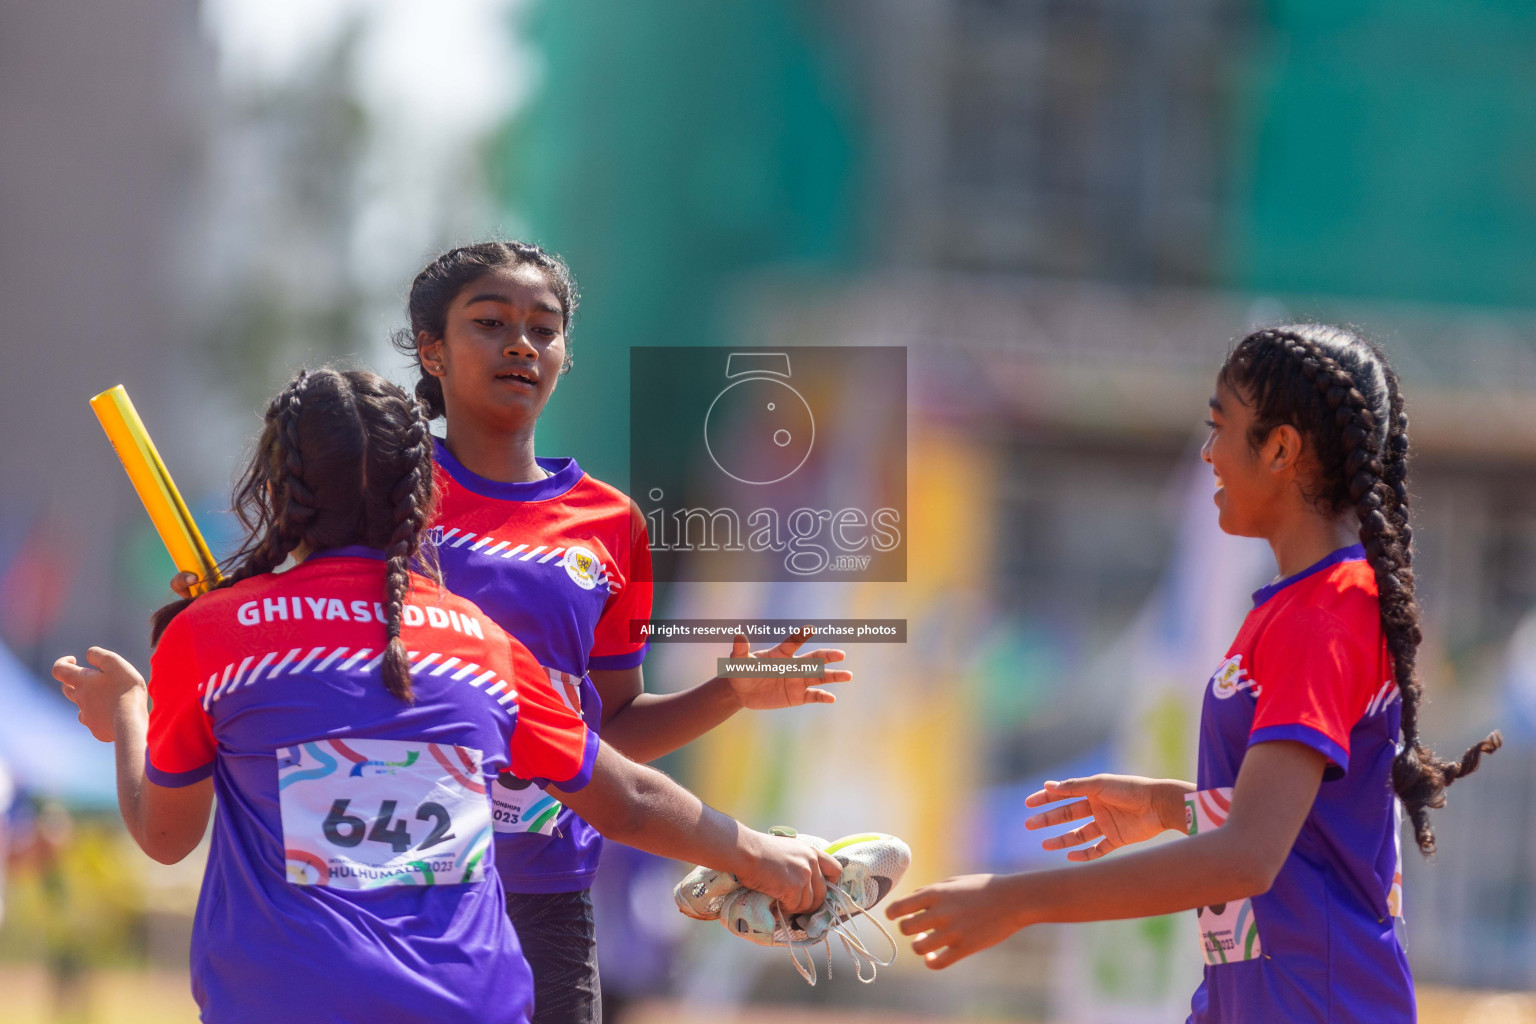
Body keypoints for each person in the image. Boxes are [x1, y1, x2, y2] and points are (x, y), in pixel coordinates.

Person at [57, 369, 838, 1024]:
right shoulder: (481, 641)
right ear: (425, 495)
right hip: (466, 1003)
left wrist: (130, 708)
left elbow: (165, 835)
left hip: (285, 1002)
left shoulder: (213, 634)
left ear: (275, 487)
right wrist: (765, 857)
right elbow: (624, 796)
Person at [886, 326, 1502, 1022]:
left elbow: (1248, 858)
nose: (1207, 454)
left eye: (1219, 428)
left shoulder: (1324, 613)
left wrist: (1017, 900)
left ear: (1280, 448)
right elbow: (1296, 830)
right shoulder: (1299, 605)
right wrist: (1167, 807)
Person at [385, 241, 852, 1023]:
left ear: (566, 354)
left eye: (544, 327)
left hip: (545, 899)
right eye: (490, 323)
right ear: (432, 350)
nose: (521, 344)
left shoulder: (613, 526)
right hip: (397, 884)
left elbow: (610, 734)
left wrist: (727, 692)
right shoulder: (382, 501)